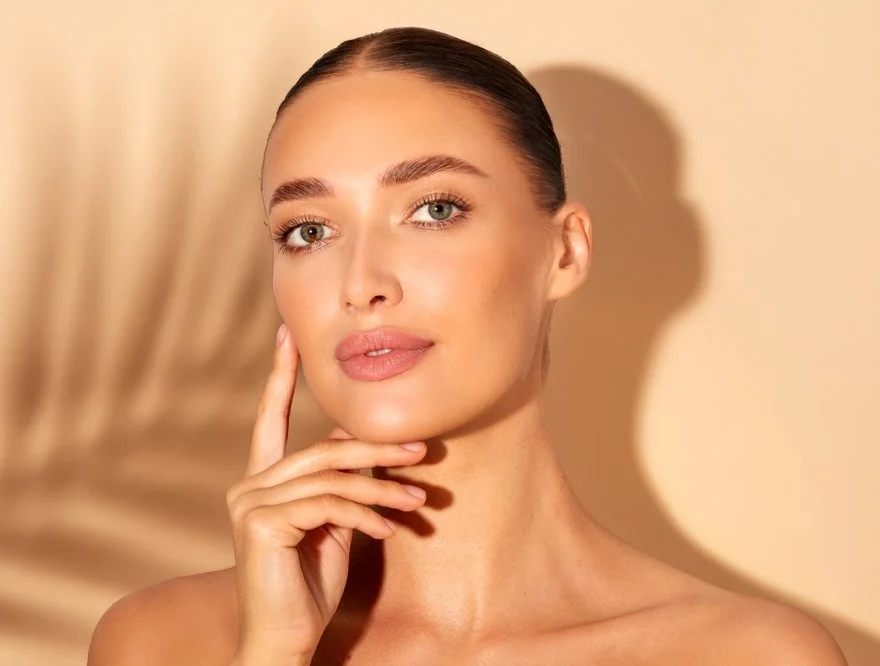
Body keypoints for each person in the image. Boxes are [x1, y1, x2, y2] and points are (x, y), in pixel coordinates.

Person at [87, 27, 846, 665]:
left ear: (565, 251)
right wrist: (273, 653)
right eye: (309, 230)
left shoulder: (749, 654)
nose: (361, 283)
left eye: (434, 210)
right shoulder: (164, 643)